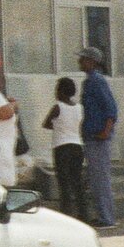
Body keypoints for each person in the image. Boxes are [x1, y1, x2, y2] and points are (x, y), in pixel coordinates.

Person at [80, 46, 120, 229]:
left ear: (92, 61)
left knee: (100, 179)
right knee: (96, 180)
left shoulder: (97, 81)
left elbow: (110, 108)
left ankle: (107, 218)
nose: (80, 62)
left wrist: (106, 130)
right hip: (92, 136)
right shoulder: (89, 81)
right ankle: (103, 215)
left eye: (84, 59)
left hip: (98, 138)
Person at [45, 76, 87, 222]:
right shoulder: (79, 108)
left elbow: (46, 123)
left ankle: (66, 215)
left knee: (64, 183)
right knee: (77, 182)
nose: (55, 92)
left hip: (61, 147)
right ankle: (84, 214)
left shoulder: (58, 107)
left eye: (57, 89)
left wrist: (57, 126)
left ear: (61, 91)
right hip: (77, 145)